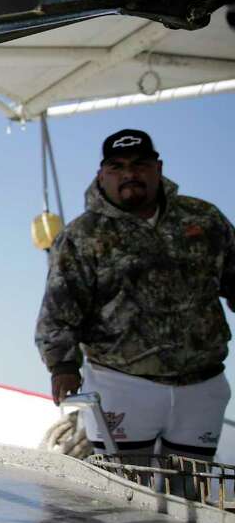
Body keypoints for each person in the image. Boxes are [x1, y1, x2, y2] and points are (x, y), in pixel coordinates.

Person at [35, 128, 235, 460]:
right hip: (120, 384)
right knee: (125, 485)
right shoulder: (81, 236)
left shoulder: (204, 219)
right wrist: (63, 365)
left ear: (158, 168)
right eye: (118, 166)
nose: (130, 173)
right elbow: (59, 310)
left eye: (140, 164)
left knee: (191, 486)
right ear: (102, 175)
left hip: (202, 385)